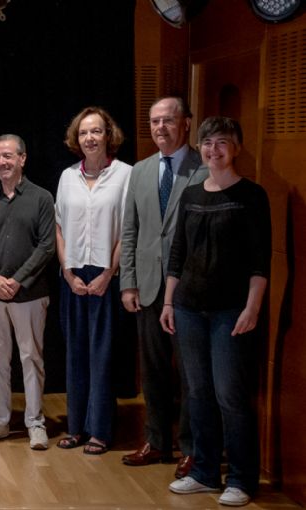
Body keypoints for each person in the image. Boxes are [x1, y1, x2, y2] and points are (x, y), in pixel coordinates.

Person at [162, 117, 270, 507]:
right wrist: (169, 301)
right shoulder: (191, 195)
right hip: (189, 308)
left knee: (230, 395)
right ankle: (204, 471)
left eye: (221, 143)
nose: (213, 151)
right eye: (207, 143)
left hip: (231, 311)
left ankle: (241, 477)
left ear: (236, 147)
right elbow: (178, 253)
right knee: (198, 393)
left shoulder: (252, 195)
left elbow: (261, 262)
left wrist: (252, 307)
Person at [120, 97, 206, 478]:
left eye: (168, 121)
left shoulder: (204, 168)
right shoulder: (139, 171)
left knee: (190, 374)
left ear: (186, 123)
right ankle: (156, 441)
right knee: (153, 371)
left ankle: (192, 448)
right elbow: (130, 230)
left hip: (189, 290)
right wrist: (129, 283)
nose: (160, 128)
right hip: (148, 289)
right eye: (154, 121)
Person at [54, 106, 132, 455]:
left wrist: (108, 274)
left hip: (105, 274)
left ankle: (99, 429)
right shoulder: (67, 176)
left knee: (102, 355)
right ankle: (76, 427)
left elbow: (126, 230)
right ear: (77, 138)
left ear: (108, 135)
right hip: (73, 276)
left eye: (96, 131)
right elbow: (58, 227)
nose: (90, 138)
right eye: (84, 132)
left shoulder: (125, 175)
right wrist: (68, 272)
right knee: (75, 354)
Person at [0, 134, 55, 450]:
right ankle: (0, 422)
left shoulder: (42, 198)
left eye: (8, 156)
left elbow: (47, 246)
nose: (2, 162)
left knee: (31, 358)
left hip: (29, 295)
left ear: (22, 158)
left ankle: (35, 423)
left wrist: (17, 280)